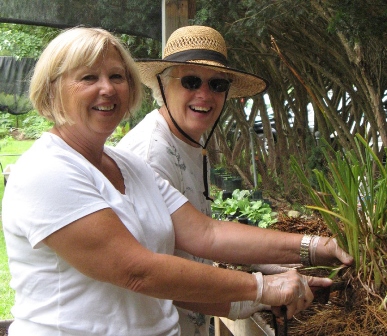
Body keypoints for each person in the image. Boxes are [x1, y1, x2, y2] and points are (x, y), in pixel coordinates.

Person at [2, 27, 353, 336]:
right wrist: (262, 288)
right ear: (52, 91)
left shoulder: (127, 165)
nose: (107, 89)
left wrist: (318, 246)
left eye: (117, 76)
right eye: (88, 78)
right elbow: (137, 271)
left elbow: (206, 234)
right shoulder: (47, 171)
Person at [116, 25, 282, 335]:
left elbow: (198, 238)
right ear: (163, 85)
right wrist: (254, 294)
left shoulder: (190, 142)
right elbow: (152, 275)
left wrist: (264, 262)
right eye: (191, 81)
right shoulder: (152, 154)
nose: (204, 95)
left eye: (217, 84)